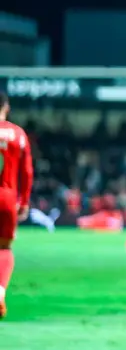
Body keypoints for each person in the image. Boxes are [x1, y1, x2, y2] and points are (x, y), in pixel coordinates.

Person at [0, 92, 33, 320]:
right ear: (6, 107)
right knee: (4, 248)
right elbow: (27, 172)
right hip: (7, 198)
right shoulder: (18, 134)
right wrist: (24, 200)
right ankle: (0, 292)